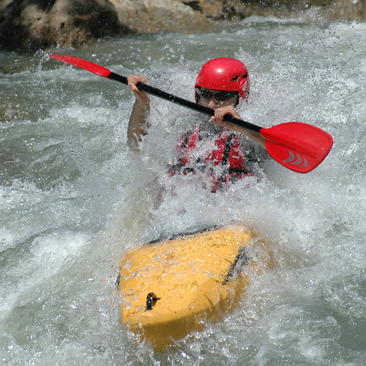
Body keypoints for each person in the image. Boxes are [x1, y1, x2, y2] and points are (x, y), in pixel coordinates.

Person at [127, 57, 268, 192]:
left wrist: (240, 126)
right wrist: (142, 103)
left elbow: (281, 154)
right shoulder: (186, 122)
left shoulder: (251, 131)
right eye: (206, 94)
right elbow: (136, 145)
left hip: (231, 208)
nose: (211, 104)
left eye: (222, 96)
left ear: (240, 97)